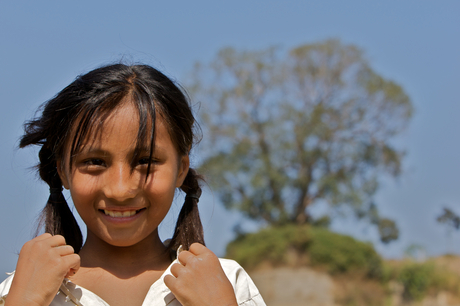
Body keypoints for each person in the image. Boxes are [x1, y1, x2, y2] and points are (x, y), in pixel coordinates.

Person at [0, 64, 265, 306]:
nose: (120, 189)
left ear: (181, 170)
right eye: (95, 161)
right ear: (63, 171)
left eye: (146, 161)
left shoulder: (225, 285)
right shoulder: (22, 290)